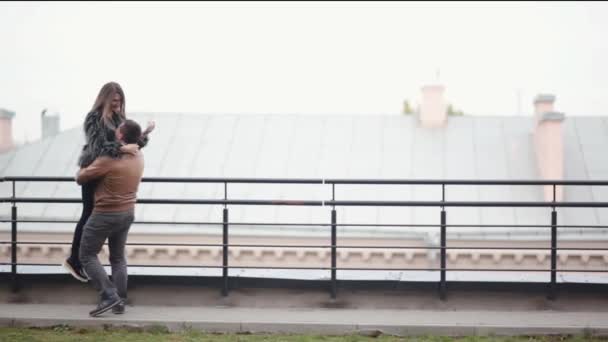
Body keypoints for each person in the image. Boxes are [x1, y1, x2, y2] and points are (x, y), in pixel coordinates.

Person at [63, 82, 154, 282]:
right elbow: (98, 147)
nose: (117, 104)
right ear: (105, 99)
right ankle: (75, 260)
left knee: (99, 216)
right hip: (93, 170)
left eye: (120, 100)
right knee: (88, 213)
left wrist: (144, 135)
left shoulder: (119, 118)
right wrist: (122, 149)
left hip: (108, 173)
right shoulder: (94, 117)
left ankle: (86, 260)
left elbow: (131, 143)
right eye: (114, 101)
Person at [76, 119, 145, 317]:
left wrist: (84, 165)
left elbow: (81, 177)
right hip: (127, 212)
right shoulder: (139, 155)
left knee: (86, 255)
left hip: (105, 213)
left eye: (118, 130)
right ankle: (120, 301)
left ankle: (108, 295)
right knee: (117, 257)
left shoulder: (110, 159)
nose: (115, 132)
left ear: (121, 135)